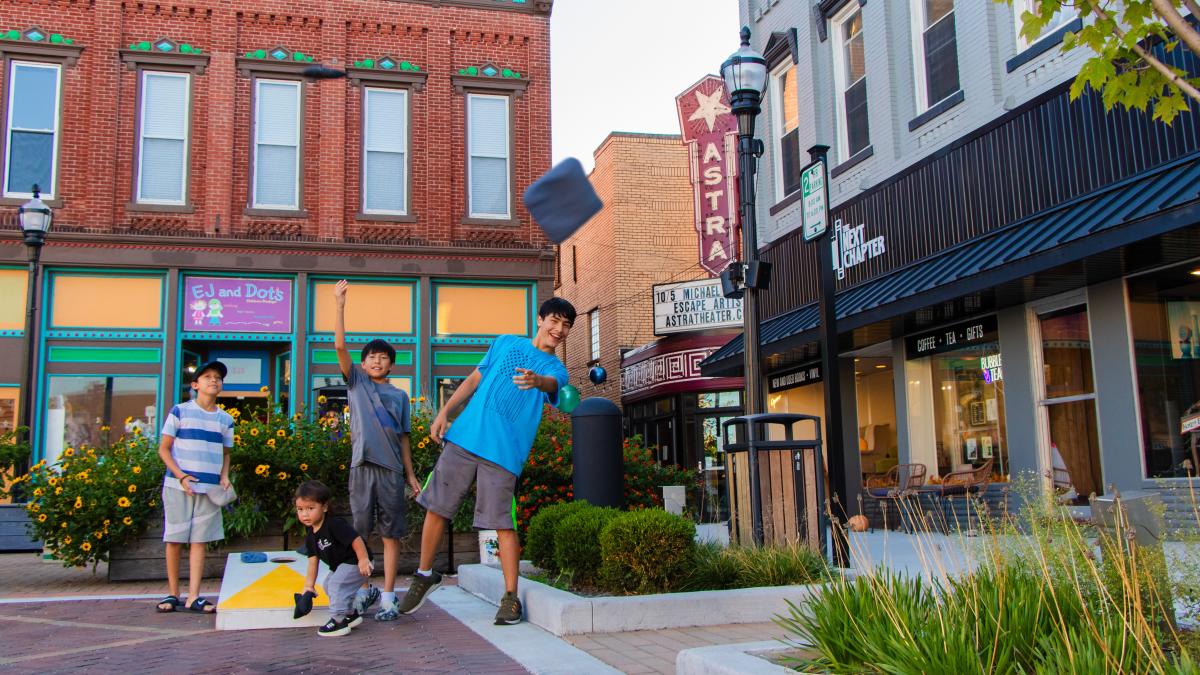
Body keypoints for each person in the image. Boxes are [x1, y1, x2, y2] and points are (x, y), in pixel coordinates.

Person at [398, 297, 575, 625]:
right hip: (464, 438)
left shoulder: (554, 368)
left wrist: (537, 382)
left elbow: (553, 384)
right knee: (436, 507)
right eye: (554, 321)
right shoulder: (505, 342)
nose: (559, 329)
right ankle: (424, 575)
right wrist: (444, 412)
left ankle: (510, 598)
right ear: (540, 319)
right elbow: (474, 380)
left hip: (504, 454)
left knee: (503, 524)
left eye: (566, 325)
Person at [333, 279, 421, 620]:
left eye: (383, 357)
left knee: (392, 534)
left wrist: (411, 476)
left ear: (391, 364)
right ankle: (362, 590)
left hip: (392, 472)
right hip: (361, 466)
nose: (376, 361)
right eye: (371, 356)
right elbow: (340, 346)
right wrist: (340, 305)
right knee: (359, 533)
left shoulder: (399, 397)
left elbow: (404, 439)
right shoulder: (356, 383)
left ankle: (387, 595)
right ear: (363, 362)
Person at [155, 360, 233, 614]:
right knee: (175, 539)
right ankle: (173, 594)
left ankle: (194, 596)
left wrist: (224, 476)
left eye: (218, 378)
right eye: (208, 377)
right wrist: (181, 476)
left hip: (209, 489)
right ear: (195, 384)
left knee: (200, 541)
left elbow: (226, 453)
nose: (214, 380)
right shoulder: (180, 411)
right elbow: (164, 449)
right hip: (178, 487)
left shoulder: (226, 419)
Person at [295, 480, 374, 637]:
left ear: (324, 507)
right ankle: (350, 614)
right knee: (327, 584)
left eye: (311, 508)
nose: (305, 514)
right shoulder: (311, 536)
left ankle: (338, 620)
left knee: (337, 584)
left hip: (356, 562)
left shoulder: (334, 524)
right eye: (300, 509)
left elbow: (355, 539)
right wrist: (309, 586)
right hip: (342, 565)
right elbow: (312, 562)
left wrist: (363, 559)